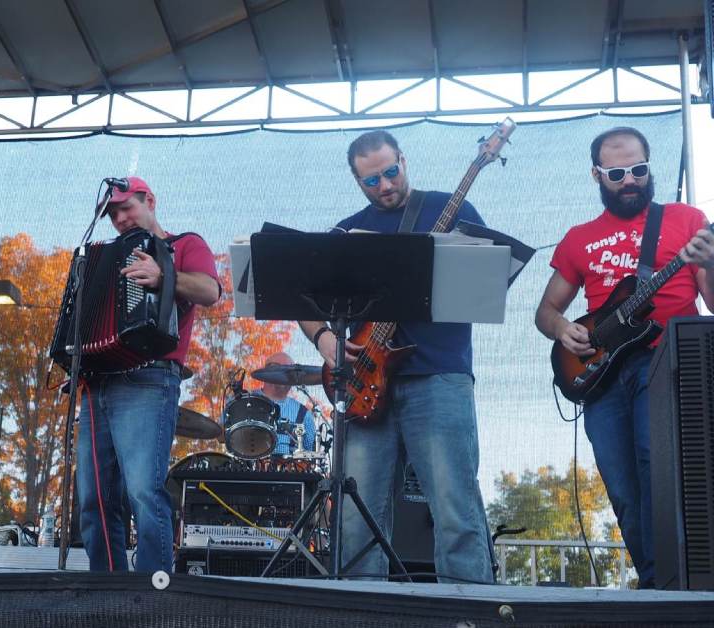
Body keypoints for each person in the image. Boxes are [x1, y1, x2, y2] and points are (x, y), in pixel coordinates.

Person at [298, 130, 494, 583]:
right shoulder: (347, 232)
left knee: (454, 506)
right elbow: (298, 300)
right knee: (356, 512)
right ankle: (362, 612)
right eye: (371, 181)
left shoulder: (454, 208)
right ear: (356, 182)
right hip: (365, 382)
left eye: (391, 172)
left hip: (439, 376)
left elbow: (488, 282)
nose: (385, 185)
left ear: (403, 160)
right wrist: (325, 340)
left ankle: (468, 612)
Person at [535, 127, 714, 589]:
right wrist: (564, 330)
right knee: (621, 487)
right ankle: (655, 585)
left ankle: (682, 586)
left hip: (666, 364)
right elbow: (546, 311)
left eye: (639, 169)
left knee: (662, 472)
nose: (630, 179)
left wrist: (710, 263)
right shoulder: (579, 239)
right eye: (617, 173)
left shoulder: (687, 219)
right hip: (600, 374)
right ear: (597, 174)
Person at [75, 176, 220, 573]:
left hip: (149, 378)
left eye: (127, 208)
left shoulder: (185, 244)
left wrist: (163, 275)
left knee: (142, 490)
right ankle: (108, 592)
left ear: (150, 201)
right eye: (113, 214)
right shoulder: (105, 256)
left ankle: (155, 591)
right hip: (98, 379)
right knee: (93, 499)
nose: (120, 219)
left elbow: (210, 291)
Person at [252, 352, 325, 457]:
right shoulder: (245, 401)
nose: (283, 374)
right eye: (278, 369)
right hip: (247, 469)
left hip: (287, 471)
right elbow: (223, 436)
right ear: (267, 373)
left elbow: (310, 454)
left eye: (288, 372)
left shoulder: (304, 413)